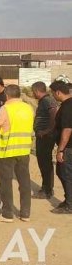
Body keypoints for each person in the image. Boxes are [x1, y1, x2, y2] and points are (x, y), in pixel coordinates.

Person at [0, 84, 34, 222]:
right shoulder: (29, 108)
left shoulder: (6, 108)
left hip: (7, 151)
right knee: (24, 182)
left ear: (7, 95)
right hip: (24, 150)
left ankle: (7, 214)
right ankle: (25, 213)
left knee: (6, 182)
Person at [32, 81, 58, 199]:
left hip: (46, 137)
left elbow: (54, 114)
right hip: (42, 135)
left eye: (33, 92)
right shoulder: (44, 101)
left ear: (37, 91)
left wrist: (47, 130)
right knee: (43, 162)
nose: (33, 94)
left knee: (45, 163)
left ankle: (47, 190)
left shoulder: (47, 101)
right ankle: (46, 187)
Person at [50, 80, 72, 214]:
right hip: (68, 147)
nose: (53, 96)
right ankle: (68, 199)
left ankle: (70, 205)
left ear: (58, 92)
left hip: (68, 148)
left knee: (66, 174)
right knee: (62, 173)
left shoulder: (67, 106)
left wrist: (61, 150)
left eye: (53, 93)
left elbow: (67, 130)